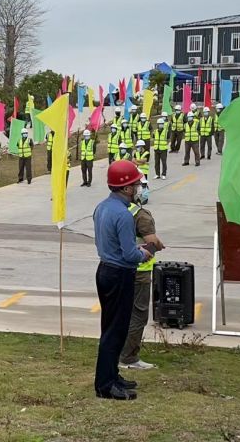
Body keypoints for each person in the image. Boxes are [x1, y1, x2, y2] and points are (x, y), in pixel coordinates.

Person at [92, 160, 153, 400]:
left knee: (111, 327)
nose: (138, 189)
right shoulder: (125, 215)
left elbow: (110, 242)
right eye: (136, 185)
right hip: (120, 274)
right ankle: (106, 384)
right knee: (115, 331)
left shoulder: (102, 207)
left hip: (106, 270)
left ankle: (111, 375)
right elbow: (129, 254)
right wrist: (144, 253)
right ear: (126, 188)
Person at [120, 183, 166, 370]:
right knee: (138, 315)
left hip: (118, 268)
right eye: (139, 185)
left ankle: (115, 351)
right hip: (139, 271)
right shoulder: (141, 215)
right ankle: (128, 357)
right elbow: (152, 243)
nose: (142, 189)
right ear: (129, 189)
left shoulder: (112, 210)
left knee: (119, 313)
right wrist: (159, 245)